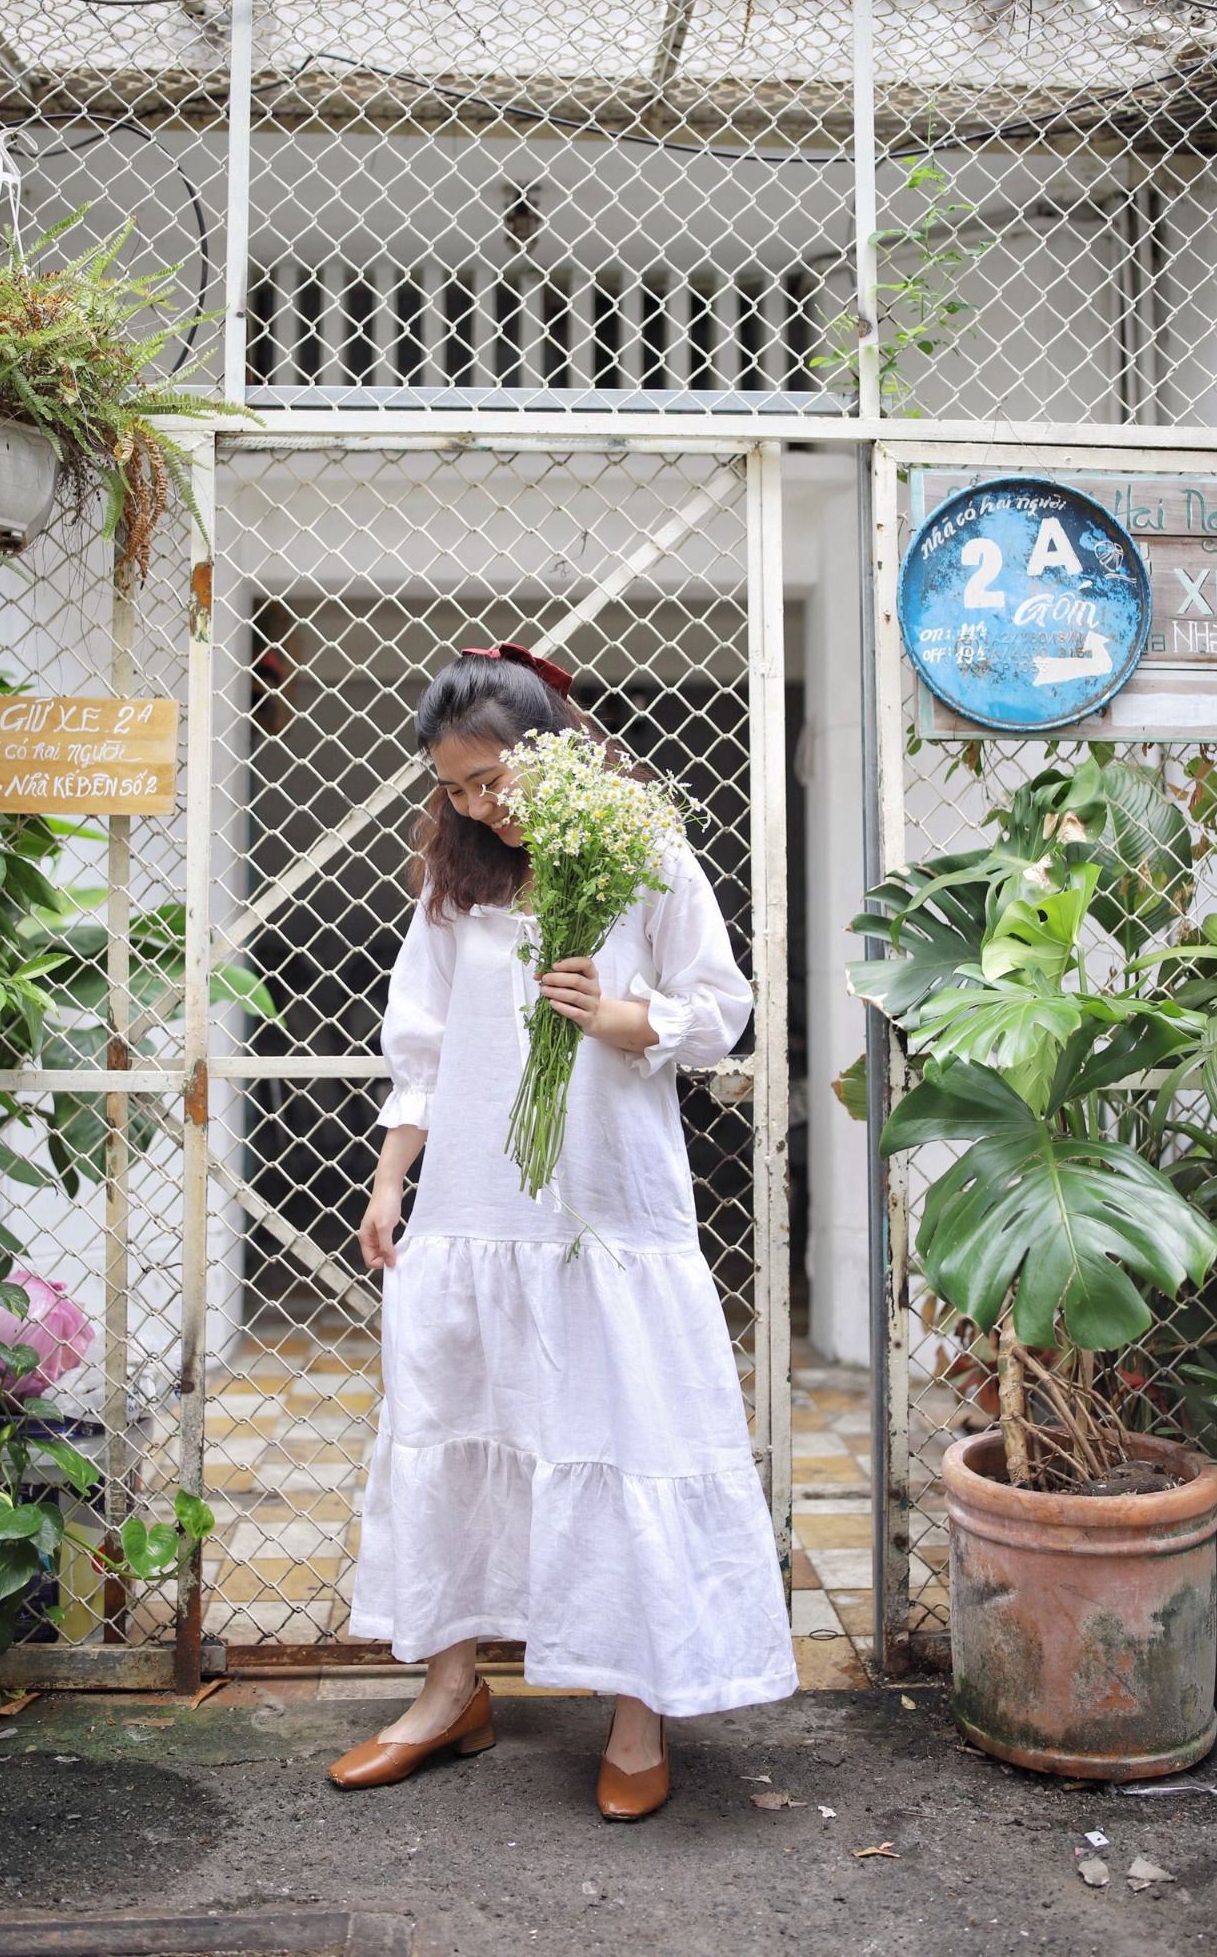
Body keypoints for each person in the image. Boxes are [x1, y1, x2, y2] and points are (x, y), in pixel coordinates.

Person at [328, 642, 797, 1819]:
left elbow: (723, 1009)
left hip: (603, 1203)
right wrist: (391, 1181)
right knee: (454, 1421)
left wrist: (625, 1014)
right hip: (475, 1205)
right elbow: (422, 1039)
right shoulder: (457, 876)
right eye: (454, 787)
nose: (476, 805)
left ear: (551, 753)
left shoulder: (642, 851)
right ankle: (449, 1691)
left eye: (490, 779)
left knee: (617, 1431)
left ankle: (637, 1708)